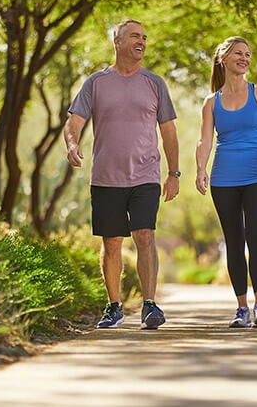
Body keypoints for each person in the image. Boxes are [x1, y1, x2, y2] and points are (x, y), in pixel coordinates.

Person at [64, 19, 180, 330]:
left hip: (145, 175)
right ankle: (114, 306)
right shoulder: (96, 83)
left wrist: (174, 172)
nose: (141, 41)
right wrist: (72, 143)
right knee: (112, 241)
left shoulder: (154, 83)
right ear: (117, 41)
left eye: (144, 36)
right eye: (134, 36)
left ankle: (149, 305)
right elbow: (74, 122)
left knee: (145, 235)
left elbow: (168, 131)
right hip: (105, 177)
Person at [195, 36, 257, 328]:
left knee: (256, 236)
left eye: (248, 54)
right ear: (224, 59)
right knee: (234, 240)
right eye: (238, 54)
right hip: (224, 178)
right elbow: (204, 140)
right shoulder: (211, 102)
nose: (244, 58)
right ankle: (241, 308)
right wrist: (200, 169)